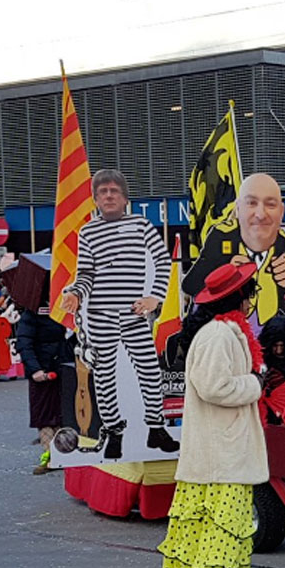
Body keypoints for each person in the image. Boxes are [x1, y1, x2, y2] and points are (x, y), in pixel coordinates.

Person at [158, 262, 267, 568]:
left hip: (220, 449)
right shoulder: (219, 335)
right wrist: (255, 384)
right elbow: (214, 386)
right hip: (222, 452)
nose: (254, 299)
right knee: (224, 526)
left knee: (212, 527)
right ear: (239, 297)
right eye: (251, 292)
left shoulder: (223, 331)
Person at [60, 169, 177, 460]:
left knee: (150, 370)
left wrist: (154, 297)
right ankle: (113, 431)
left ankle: (155, 427)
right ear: (96, 199)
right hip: (100, 313)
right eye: (102, 192)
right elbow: (85, 273)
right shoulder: (87, 232)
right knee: (104, 374)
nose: (109, 195)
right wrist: (75, 293)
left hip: (134, 313)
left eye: (114, 191)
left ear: (124, 197)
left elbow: (163, 260)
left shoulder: (141, 225)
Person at [183, 173, 285, 330]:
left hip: (268, 336)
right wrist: (223, 275)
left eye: (270, 205)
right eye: (252, 203)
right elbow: (190, 285)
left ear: (281, 212)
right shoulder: (221, 237)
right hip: (227, 334)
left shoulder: (279, 239)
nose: (260, 215)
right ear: (238, 209)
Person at [15, 296, 75, 475]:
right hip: (43, 371)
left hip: (67, 367)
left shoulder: (69, 310)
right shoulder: (32, 313)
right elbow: (24, 343)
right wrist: (35, 369)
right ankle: (50, 455)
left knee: (67, 414)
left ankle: (68, 453)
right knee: (44, 415)